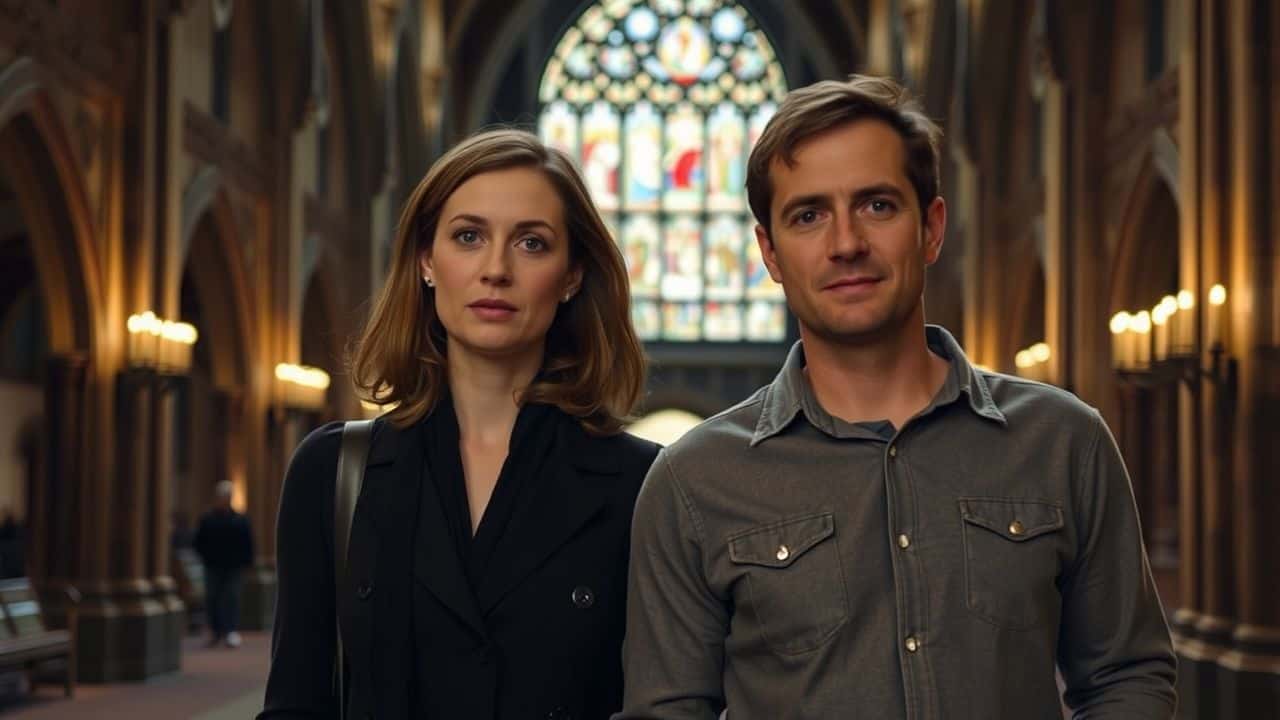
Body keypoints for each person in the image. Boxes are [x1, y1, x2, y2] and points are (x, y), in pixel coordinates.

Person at [617, 75, 1177, 719]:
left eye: (877, 205)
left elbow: (1127, 674)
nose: (846, 243)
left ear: (932, 228)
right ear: (769, 252)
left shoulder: (1063, 440)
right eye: (808, 215)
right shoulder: (693, 481)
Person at [261, 129, 659, 719]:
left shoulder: (642, 483)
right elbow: (296, 703)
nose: (495, 269)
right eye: (468, 236)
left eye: (531, 243)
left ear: (572, 275)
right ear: (426, 260)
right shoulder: (334, 472)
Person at [193, 480, 254, 648]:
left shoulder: (240, 520)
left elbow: (247, 543)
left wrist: (246, 563)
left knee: (231, 598)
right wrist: (206, 556)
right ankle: (215, 630)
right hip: (212, 565)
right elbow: (198, 541)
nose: (223, 499)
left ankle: (230, 631)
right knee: (212, 598)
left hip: (233, 567)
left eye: (226, 496)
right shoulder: (208, 519)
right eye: (221, 496)